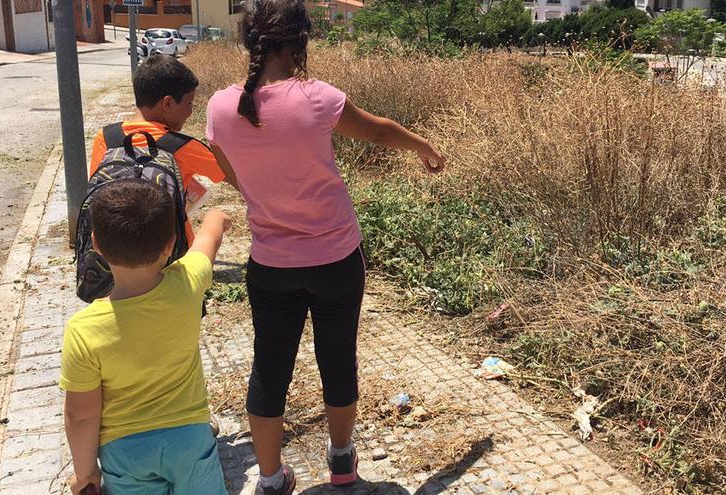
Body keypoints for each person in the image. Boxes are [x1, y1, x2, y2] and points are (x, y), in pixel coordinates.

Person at [205, 0, 445, 492]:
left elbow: (225, 168)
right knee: (338, 358)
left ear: (251, 41)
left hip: (270, 263)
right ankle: (341, 463)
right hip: (336, 258)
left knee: (270, 367)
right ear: (300, 41)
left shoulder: (220, 106)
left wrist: (257, 192)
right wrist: (422, 144)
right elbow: (376, 129)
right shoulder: (317, 97)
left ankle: (271, 480)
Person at [60, 179, 232, 495]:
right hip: (190, 440)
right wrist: (217, 217)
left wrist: (85, 474)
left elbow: (80, 415)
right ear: (170, 244)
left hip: (126, 453)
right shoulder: (188, 283)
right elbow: (208, 240)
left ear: (96, 244)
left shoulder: (83, 331)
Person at [88, 54, 236, 242]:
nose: (190, 112)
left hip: (115, 254)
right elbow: (236, 178)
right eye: (189, 104)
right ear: (167, 103)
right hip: (169, 254)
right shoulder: (182, 147)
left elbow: (97, 197)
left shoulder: (106, 138)